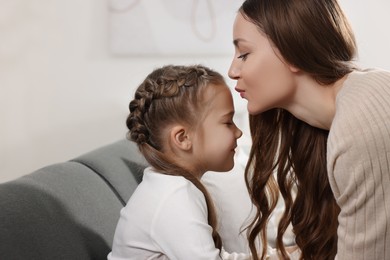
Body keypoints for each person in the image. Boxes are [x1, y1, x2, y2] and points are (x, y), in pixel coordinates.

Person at [228, 0, 390, 259]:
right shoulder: (333, 120)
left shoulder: (360, 123)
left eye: (244, 54)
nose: (232, 71)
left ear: (292, 51)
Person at [108, 64, 252, 260]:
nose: (238, 132)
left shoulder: (170, 186)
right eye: (227, 122)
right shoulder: (174, 197)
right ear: (183, 138)